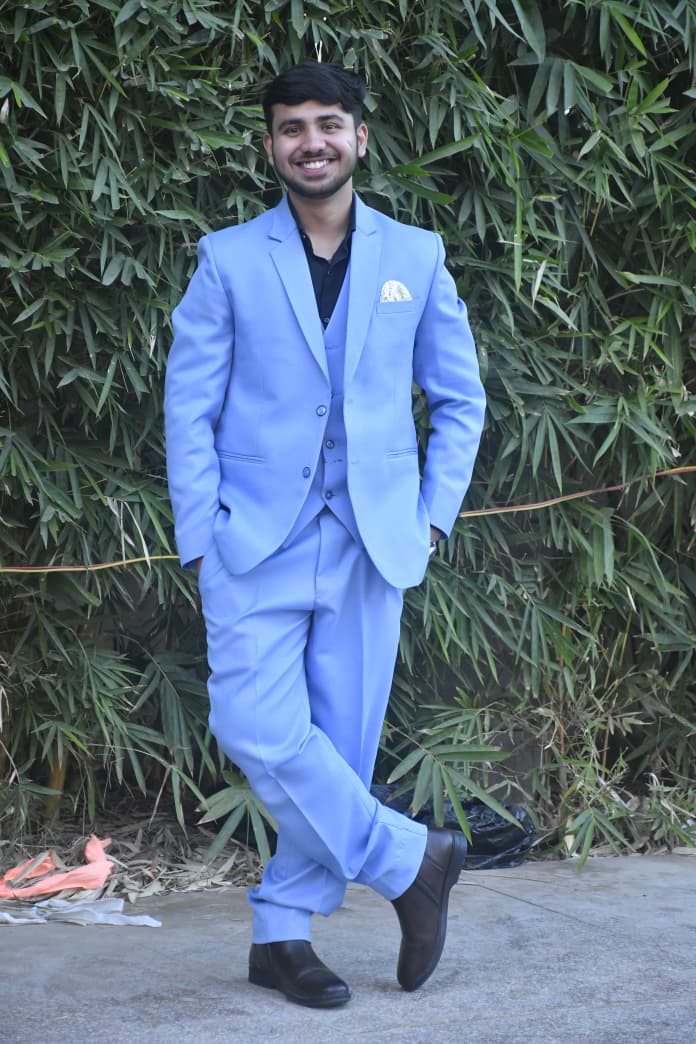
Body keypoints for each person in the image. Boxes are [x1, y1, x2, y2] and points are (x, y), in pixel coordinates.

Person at [164, 62, 486, 1008]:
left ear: (360, 137)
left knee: (336, 749)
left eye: (329, 123)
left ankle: (280, 937)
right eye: (292, 126)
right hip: (252, 537)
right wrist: (199, 537)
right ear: (269, 146)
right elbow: (188, 406)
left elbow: (461, 401)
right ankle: (410, 861)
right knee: (255, 724)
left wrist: (431, 518)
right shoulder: (228, 258)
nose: (312, 140)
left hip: (374, 538)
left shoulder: (416, 256)